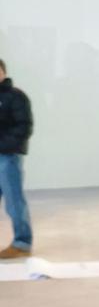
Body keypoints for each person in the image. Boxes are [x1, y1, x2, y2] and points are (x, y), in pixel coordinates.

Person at [0, 58, 34, 260]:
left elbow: (24, 126)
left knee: (14, 201)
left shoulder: (15, 97)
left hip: (7, 157)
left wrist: (5, 146)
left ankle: (22, 242)